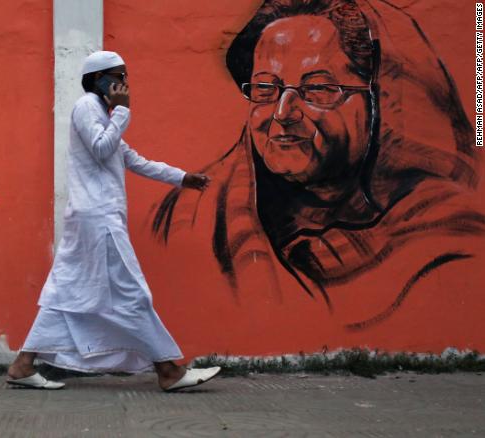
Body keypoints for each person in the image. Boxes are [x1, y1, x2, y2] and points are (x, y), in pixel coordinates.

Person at [153, 0, 484, 329]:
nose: (283, 113)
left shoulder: (449, 238)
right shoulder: (198, 214)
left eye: (319, 89)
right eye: (266, 88)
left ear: (381, 102)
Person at [7, 51, 221, 391]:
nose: (124, 83)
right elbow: (102, 148)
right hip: (98, 220)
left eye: (126, 76)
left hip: (93, 219)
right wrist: (122, 111)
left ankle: (23, 364)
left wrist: (182, 178)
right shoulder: (87, 107)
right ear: (98, 79)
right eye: (118, 75)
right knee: (132, 293)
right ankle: (168, 371)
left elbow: (133, 160)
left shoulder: (102, 114)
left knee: (67, 293)